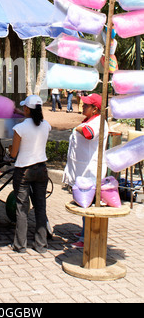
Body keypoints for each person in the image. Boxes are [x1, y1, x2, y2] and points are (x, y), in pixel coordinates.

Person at [62, 93, 108, 248]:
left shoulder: (98, 122)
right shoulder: (90, 120)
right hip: (83, 170)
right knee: (83, 202)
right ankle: (83, 231)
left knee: (87, 204)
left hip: (90, 171)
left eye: (87, 105)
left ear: (95, 109)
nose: (83, 106)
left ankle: (86, 238)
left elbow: (89, 134)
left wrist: (79, 128)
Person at [9, 94, 51, 254]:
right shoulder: (46, 125)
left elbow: (13, 154)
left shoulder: (20, 128)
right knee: (40, 207)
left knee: (22, 208)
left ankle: (20, 245)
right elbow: (34, 119)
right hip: (42, 170)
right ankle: (41, 245)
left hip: (24, 171)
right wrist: (21, 112)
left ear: (27, 109)